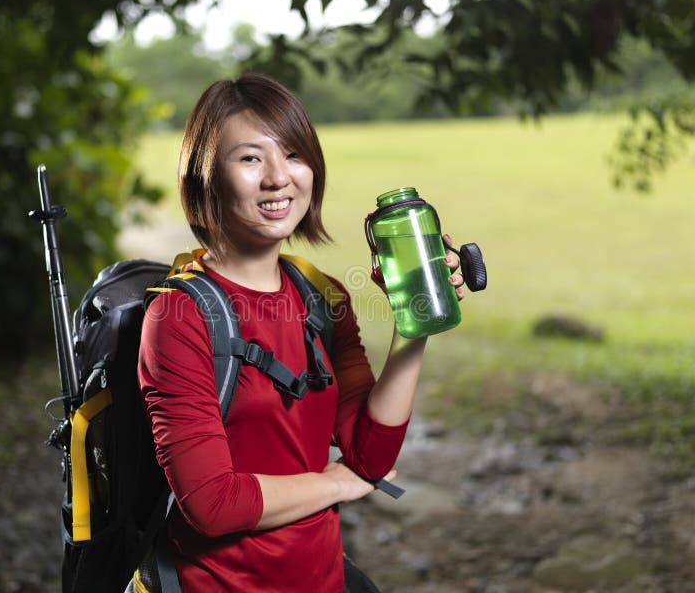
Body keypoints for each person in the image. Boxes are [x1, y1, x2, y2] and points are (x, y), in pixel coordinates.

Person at [137, 73, 465, 592]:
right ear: (206, 177)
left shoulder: (323, 296)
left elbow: (370, 457)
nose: (278, 178)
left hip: (321, 578)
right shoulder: (177, 318)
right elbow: (212, 505)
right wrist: (336, 482)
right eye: (250, 158)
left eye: (293, 154)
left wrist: (414, 322)